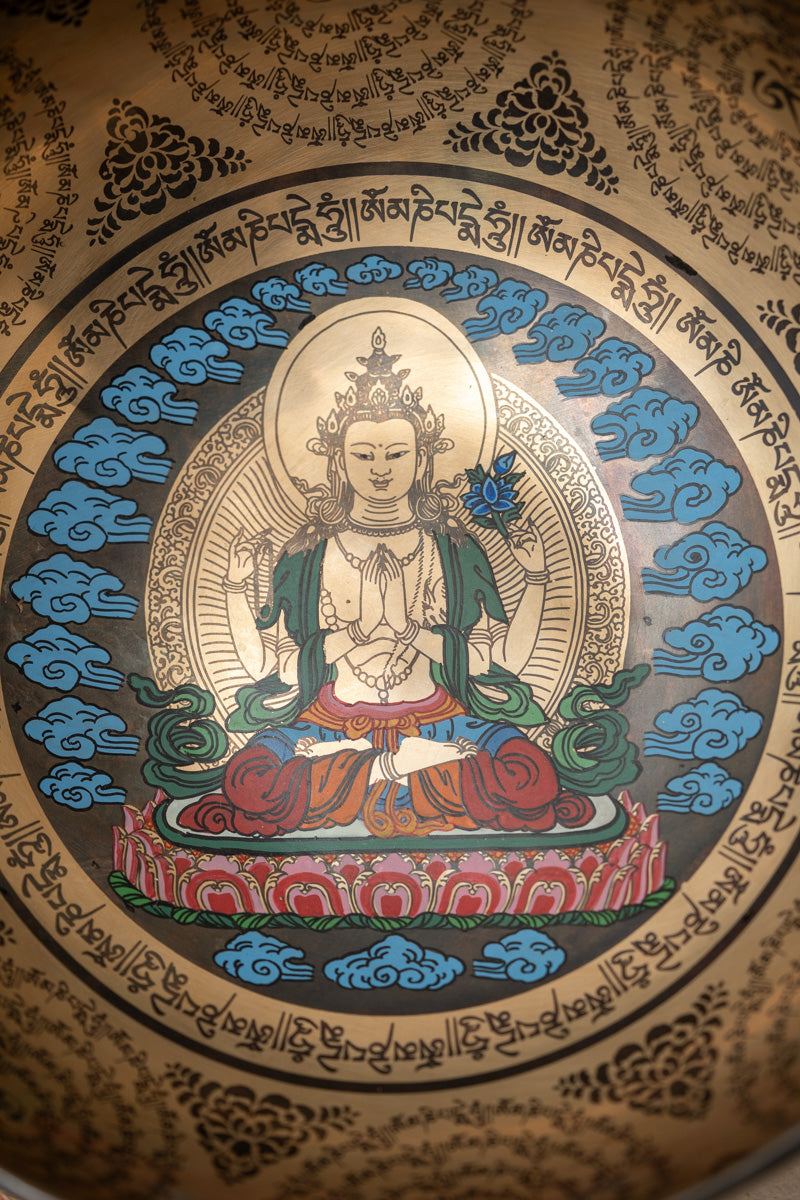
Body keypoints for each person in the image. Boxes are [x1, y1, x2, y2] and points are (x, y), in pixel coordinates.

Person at [178, 328, 594, 839]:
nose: (380, 470)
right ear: (338, 459)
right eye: (363, 455)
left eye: (396, 454)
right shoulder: (307, 553)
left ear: (422, 459)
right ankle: (398, 767)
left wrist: (534, 578)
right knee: (250, 781)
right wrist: (238, 589)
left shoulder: (452, 547)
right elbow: (274, 667)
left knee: (528, 776)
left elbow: (494, 660)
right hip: (331, 722)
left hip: (438, 718)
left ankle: (371, 769)